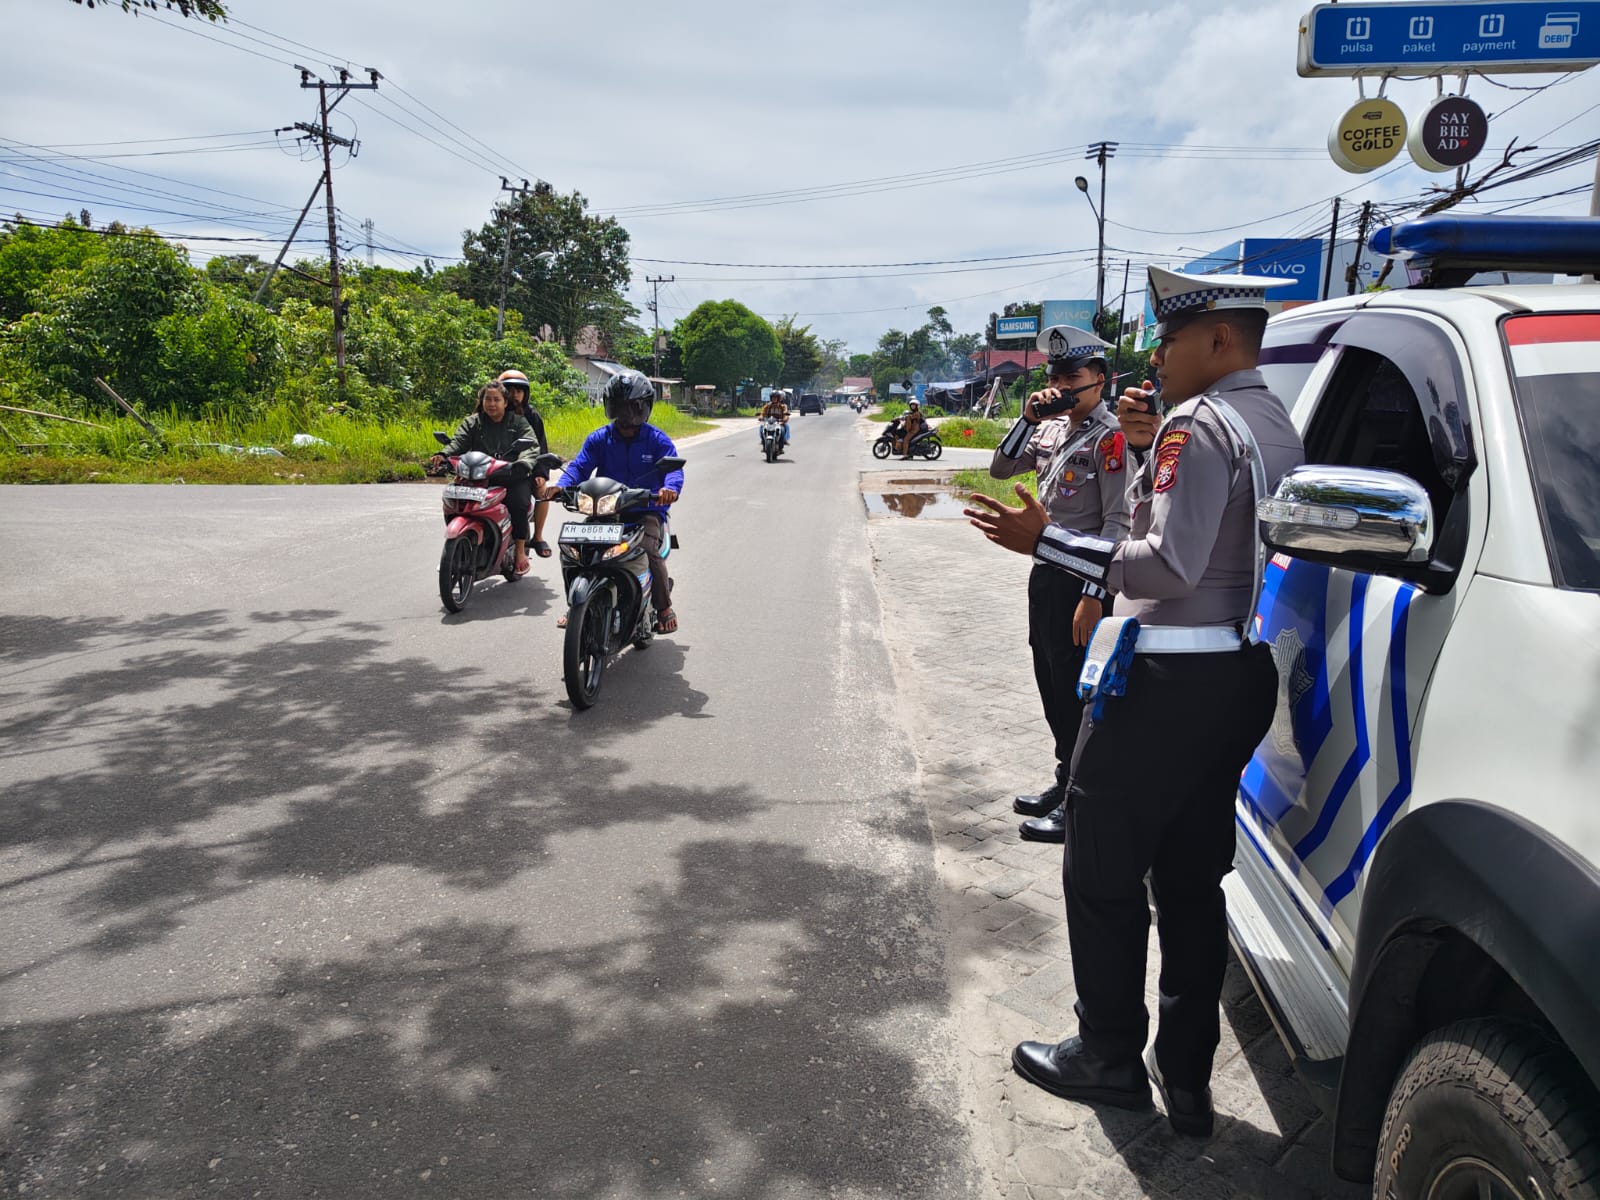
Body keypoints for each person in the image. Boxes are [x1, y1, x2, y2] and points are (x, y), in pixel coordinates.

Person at [965, 266, 1304, 1138]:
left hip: (1167, 684)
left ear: (1219, 339)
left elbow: (1168, 565)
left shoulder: (1200, 422)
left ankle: (1109, 1053)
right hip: (1235, 668)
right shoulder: (1274, 420)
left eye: (1171, 339)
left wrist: (1049, 543)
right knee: (1191, 881)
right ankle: (1186, 1076)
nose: (1157, 358)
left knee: (1101, 870)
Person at [989, 326, 1128, 843]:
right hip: (1046, 574)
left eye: (1072, 377)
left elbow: (1117, 524)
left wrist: (1094, 596)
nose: (1061, 386)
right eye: (1055, 377)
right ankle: (1065, 778)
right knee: (1049, 681)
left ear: (1099, 380)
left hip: (1082, 585)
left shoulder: (1112, 438)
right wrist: (1028, 418)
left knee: (1077, 693)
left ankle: (1080, 804)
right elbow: (1000, 468)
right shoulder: (1050, 432)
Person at [539, 369, 684, 633]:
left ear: (643, 407)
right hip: (604, 509)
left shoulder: (656, 439)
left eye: (632, 406)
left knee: (648, 551)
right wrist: (561, 486)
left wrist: (669, 489)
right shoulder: (599, 438)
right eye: (619, 406)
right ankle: (577, 605)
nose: (625, 413)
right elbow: (579, 467)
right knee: (574, 550)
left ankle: (664, 608)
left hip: (645, 510)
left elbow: (673, 470)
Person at [431, 381, 545, 576]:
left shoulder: (518, 422)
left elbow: (532, 445)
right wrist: (443, 455)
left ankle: (519, 551)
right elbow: (458, 442)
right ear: (481, 401)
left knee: (518, 503)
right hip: (477, 476)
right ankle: (462, 543)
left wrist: (523, 462)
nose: (492, 404)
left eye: (496, 400)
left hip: (511, 475)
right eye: (488, 399)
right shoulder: (473, 422)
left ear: (505, 402)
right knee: (455, 500)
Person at [496, 368, 555, 558]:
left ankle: (537, 537)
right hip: (493, 469)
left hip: (523, 470)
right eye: (509, 390)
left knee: (542, 491)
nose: (514, 395)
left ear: (525, 394)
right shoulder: (491, 413)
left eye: (519, 391)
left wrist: (540, 473)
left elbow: (540, 446)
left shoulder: (531, 416)